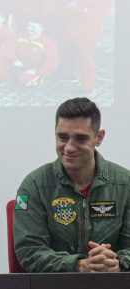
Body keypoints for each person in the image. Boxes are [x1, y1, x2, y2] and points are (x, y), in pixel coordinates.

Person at [13, 98, 130, 273]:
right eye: (63, 137)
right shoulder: (33, 186)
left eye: (80, 138)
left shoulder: (125, 184)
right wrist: (79, 265)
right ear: (55, 133)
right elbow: (30, 252)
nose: (69, 147)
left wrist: (118, 263)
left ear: (99, 137)